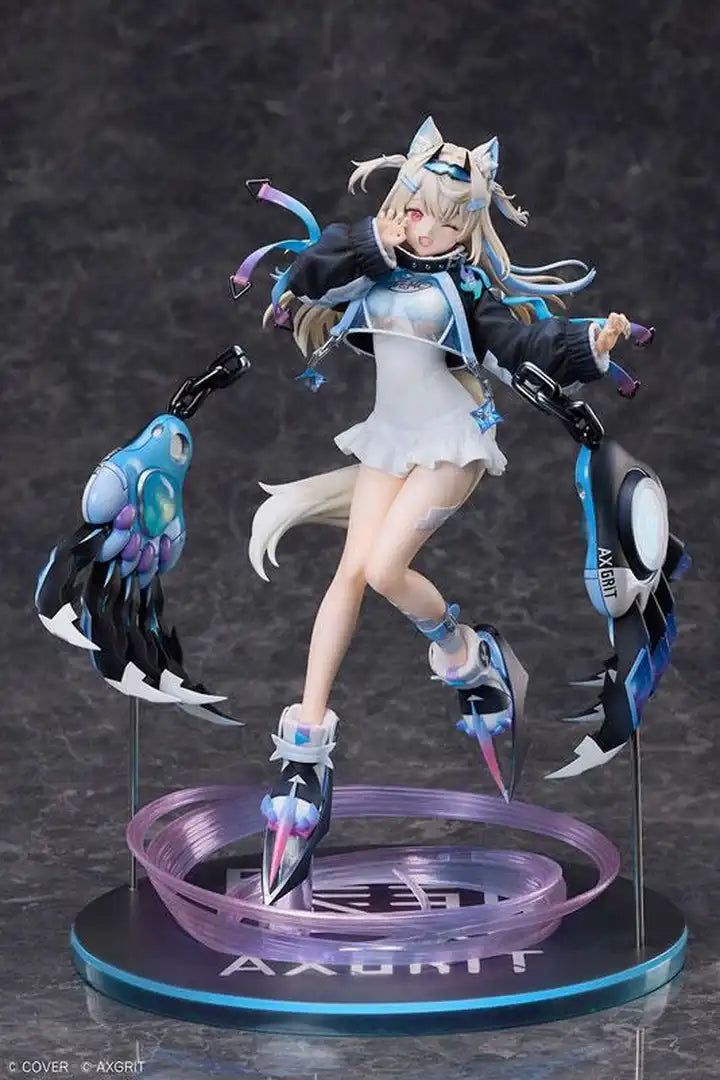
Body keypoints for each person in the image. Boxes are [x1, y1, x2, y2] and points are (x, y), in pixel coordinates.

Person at [241, 117, 631, 901]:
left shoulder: (466, 288)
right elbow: (307, 279)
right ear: (400, 200)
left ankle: (469, 657)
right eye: (419, 210)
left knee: (388, 569)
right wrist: (373, 245)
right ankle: (305, 748)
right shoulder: (369, 263)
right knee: (350, 577)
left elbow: (517, 345)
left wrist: (587, 347)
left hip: (452, 441)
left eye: (452, 219)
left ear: (471, 223)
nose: (432, 229)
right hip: (390, 440)